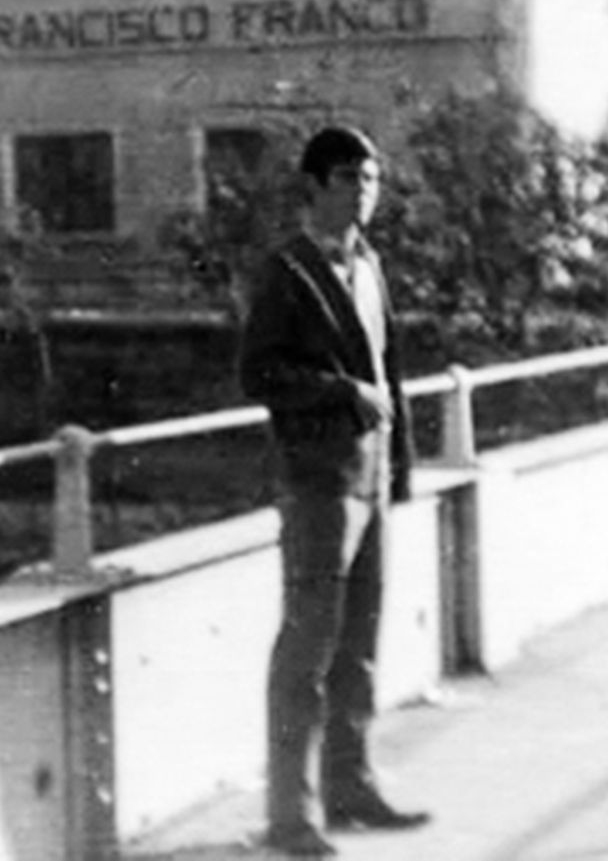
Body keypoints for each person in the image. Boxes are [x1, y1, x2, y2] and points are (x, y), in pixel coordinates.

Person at [238, 126, 430, 857]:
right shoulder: (286, 272)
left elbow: (392, 371)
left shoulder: (371, 265)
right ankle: (292, 817)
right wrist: (341, 389)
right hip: (319, 483)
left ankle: (351, 788)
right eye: (349, 177)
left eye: (372, 179)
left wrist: (401, 469)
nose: (364, 191)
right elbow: (258, 375)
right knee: (307, 650)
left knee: (359, 647)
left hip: (371, 479)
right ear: (313, 186)